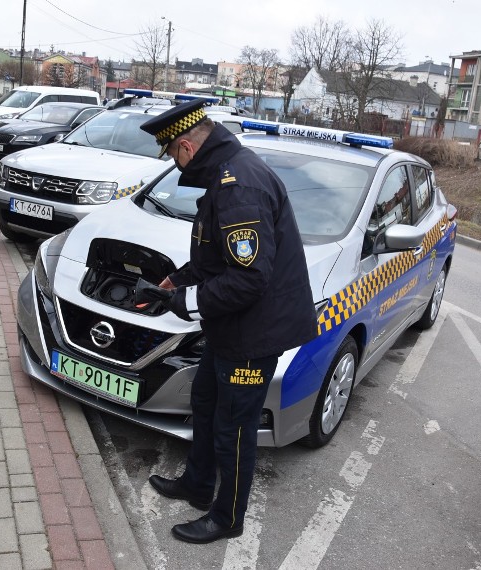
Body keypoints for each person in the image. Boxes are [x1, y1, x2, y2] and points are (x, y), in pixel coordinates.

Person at [138, 99, 318, 544]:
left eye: (173, 156)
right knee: (204, 401)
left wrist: (183, 301)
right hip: (230, 325)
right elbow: (215, 253)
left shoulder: (240, 186)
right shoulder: (225, 176)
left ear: (185, 145)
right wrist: (175, 280)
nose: (175, 165)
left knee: (233, 428)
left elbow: (247, 279)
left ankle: (227, 518)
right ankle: (198, 485)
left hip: (253, 333)